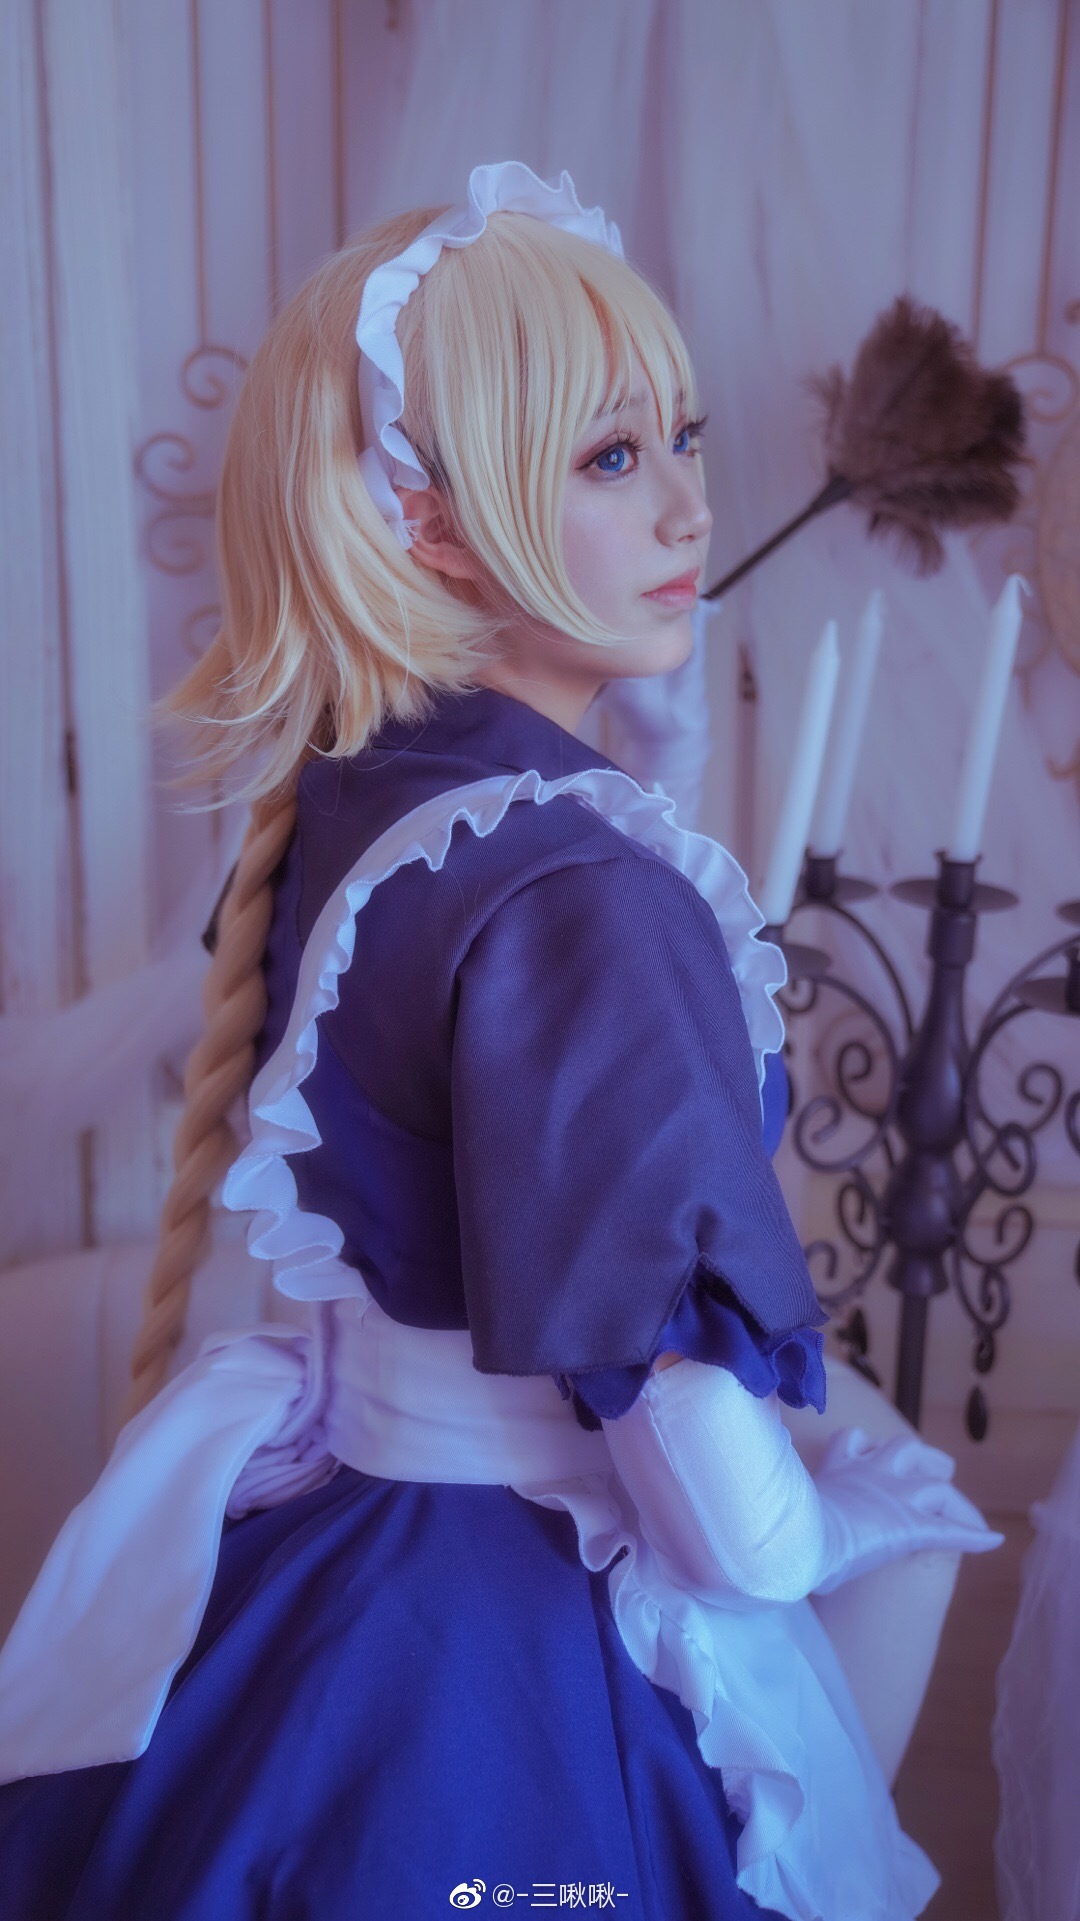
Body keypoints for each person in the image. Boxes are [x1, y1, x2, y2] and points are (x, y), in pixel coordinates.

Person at [0, 161, 1001, 1921]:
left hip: (338, 1581)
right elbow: (733, 1527)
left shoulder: (366, 801)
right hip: (514, 1659)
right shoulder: (586, 894)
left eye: (681, 436)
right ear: (428, 521)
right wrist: (874, 1513)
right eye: (611, 458)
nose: (690, 503)